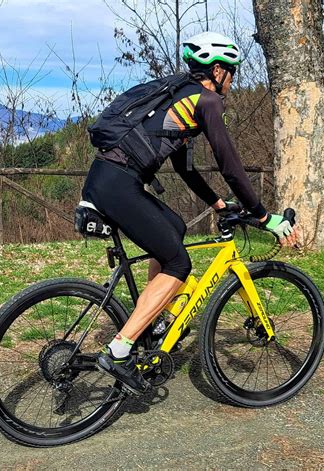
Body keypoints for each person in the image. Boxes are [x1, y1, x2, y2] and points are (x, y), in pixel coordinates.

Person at [81, 32, 297, 395]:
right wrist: (263, 216)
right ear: (217, 70)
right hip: (119, 185)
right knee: (178, 264)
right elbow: (230, 165)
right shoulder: (208, 101)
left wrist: (217, 204)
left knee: (174, 227)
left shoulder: (182, 96)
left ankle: (155, 319)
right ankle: (119, 351)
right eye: (232, 72)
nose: (233, 80)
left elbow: (185, 167)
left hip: (109, 180)